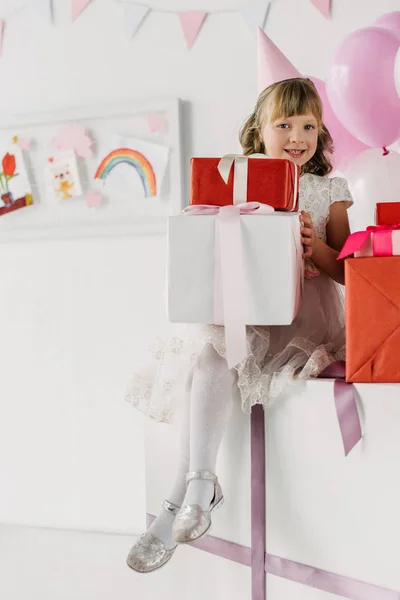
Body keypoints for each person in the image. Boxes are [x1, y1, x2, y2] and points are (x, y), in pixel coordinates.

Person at [125, 78, 353, 573]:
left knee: (215, 365)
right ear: (258, 130)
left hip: (301, 317)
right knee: (207, 358)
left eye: (309, 125)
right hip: (245, 309)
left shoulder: (329, 190)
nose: (298, 136)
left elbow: (348, 271)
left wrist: (316, 249)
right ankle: (199, 483)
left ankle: (173, 505)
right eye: (284, 124)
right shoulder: (238, 180)